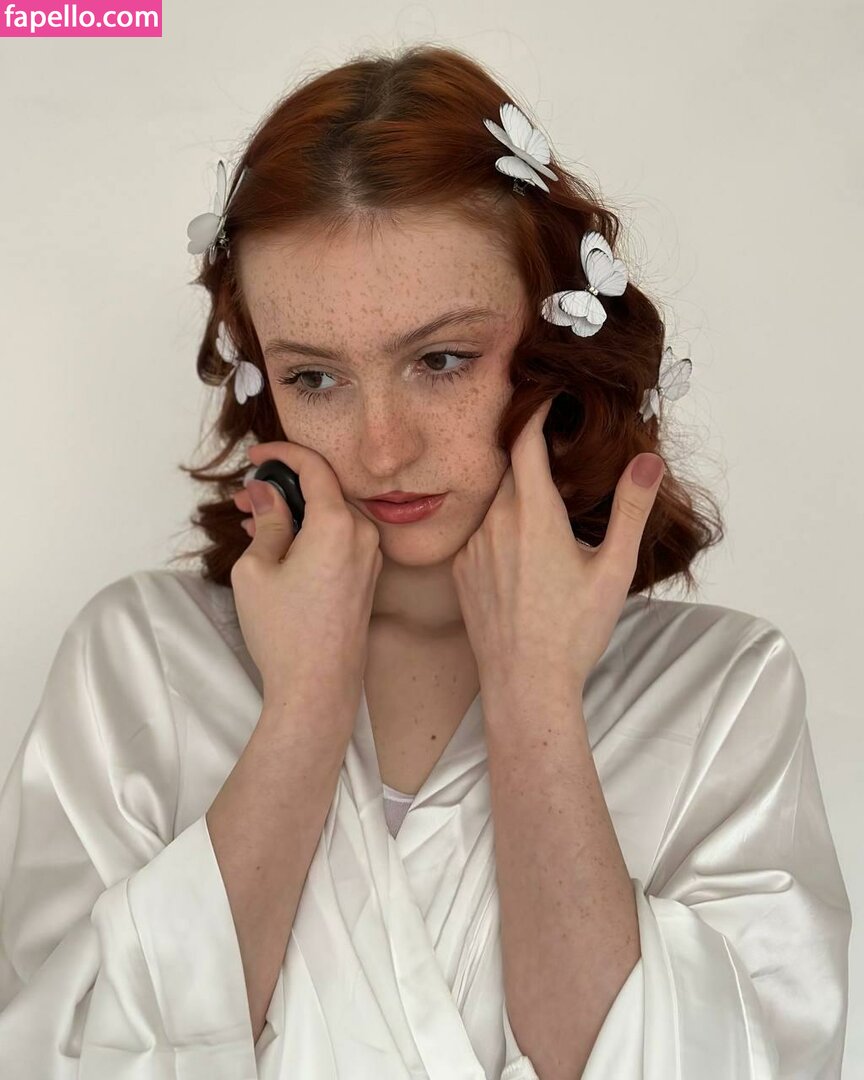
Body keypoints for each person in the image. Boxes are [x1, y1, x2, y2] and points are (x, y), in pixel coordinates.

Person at [0, 43, 851, 1080]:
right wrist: (305, 706)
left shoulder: (719, 692)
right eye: (316, 378)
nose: (381, 449)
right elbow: (64, 1059)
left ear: (554, 346)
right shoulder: (140, 662)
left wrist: (534, 695)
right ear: (261, 375)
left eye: (441, 360)